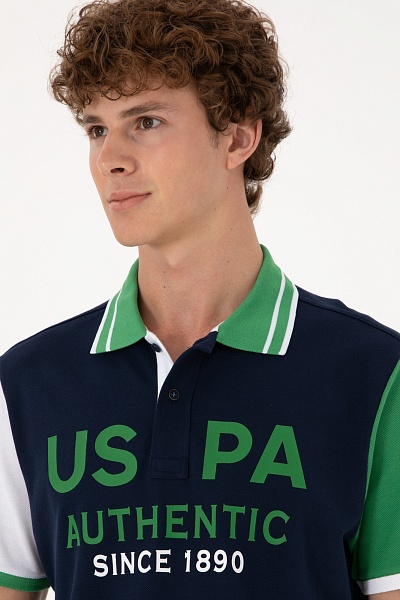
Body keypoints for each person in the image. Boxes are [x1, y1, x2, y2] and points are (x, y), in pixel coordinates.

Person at [0, 0, 399, 598]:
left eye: (146, 122)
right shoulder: (27, 385)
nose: (110, 160)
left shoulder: (374, 375)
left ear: (238, 136)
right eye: (97, 129)